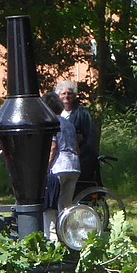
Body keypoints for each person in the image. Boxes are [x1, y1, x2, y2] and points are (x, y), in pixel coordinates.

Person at [45, 80, 96, 213]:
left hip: (60, 166)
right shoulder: (69, 125)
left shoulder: (55, 122)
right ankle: (66, 230)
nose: (66, 96)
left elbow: (53, 146)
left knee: (53, 203)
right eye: (63, 93)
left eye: (69, 93)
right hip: (74, 165)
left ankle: (52, 232)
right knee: (66, 205)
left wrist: (47, 166)